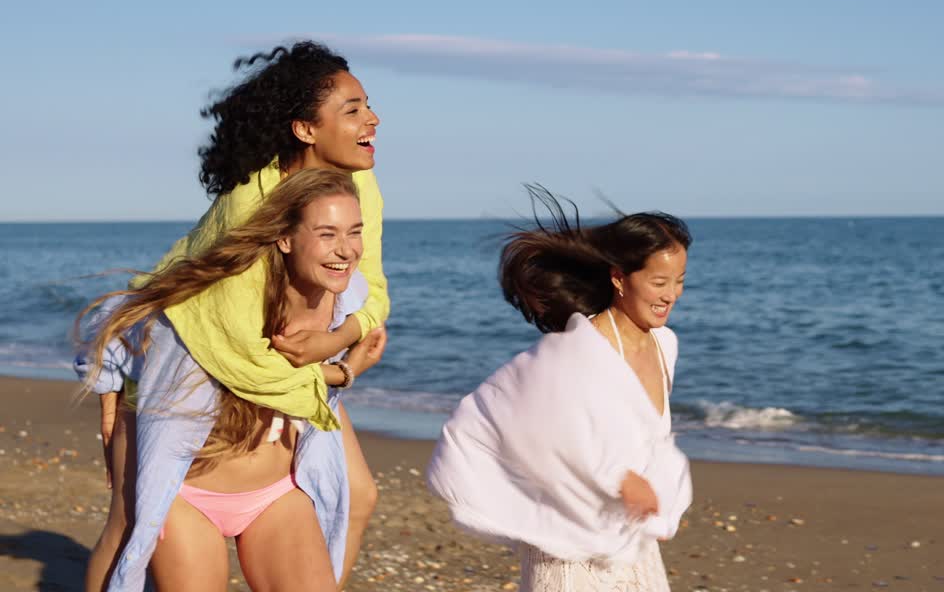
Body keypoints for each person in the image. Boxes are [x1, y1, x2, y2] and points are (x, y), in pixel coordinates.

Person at [76, 41, 387, 590]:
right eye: (353, 109)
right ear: (305, 129)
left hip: (271, 420)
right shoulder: (251, 203)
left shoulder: (352, 186)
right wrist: (342, 370)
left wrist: (343, 333)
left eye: (368, 104)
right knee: (128, 526)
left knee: (357, 495)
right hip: (182, 370)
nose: (373, 118)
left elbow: (373, 288)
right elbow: (238, 350)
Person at [428, 189, 693, 591]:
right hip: (570, 548)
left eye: (679, 281)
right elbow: (521, 428)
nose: (671, 295)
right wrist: (620, 478)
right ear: (619, 278)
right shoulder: (580, 348)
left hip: (629, 541)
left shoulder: (664, 345)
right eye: (659, 282)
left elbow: (650, 441)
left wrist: (661, 496)